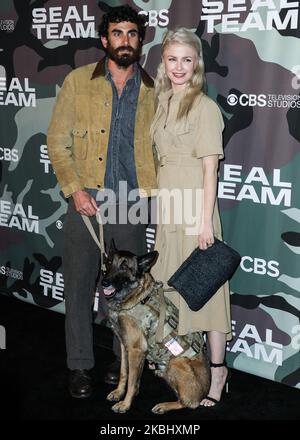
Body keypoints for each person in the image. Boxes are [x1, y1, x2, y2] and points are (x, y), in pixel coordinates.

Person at [47, 5, 156, 398]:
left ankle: (119, 361)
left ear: (141, 39)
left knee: (125, 291)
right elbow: (56, 142)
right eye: (116, 33)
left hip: (131, 204)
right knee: (78, 284)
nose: (124, 40)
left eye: (131, 33)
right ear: (103, 38)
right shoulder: (78, 82)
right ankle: (79, 365)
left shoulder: (154, 90)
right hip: (86, 199)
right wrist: (75, 189)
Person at [150, 28, 232, 407]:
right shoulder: (163, 100)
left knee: (209, 296)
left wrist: (203, 223)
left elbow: (209, 171)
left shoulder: (204, 107)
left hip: (195, 210)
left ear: (196, 62)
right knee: (170, 289)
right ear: (163, 63)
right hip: (169, 208)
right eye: (172, 59)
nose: (179, 66)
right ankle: (185, 367)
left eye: (187, 59)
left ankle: (218, 374)